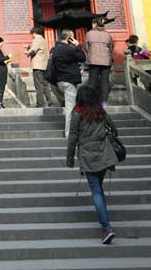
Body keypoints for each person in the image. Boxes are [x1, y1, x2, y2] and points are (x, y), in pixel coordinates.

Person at [66, 85, 120, 245]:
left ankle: (106, 226)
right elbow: (114, 130)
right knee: (99, 187)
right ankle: (105, 223)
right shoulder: (99, 111)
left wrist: (69, 159)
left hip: (88, 155)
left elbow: (73, 137)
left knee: (95, 190)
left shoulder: (77, 113)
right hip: (104, 154)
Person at [51, 30, 87, 137]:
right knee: (70, 108)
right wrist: (78, 46)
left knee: (70, 105)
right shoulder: (69, 49)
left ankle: (73, 130)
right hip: (69, 81)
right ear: (69, 38)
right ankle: (69, 133)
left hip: (59, 81)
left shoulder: (55, 49)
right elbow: (82, 57)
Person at [85, 17, 115, 106]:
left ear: (94, 24)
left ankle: (91, 101)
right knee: (104, 81)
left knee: (92, 81)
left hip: (93, 60)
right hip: (106, 61)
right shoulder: (107, 35)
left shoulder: (89, 34)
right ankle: (104, 101)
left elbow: (86, 47)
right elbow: (111, 47)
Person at [27, 27, 57, 108]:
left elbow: (33, 51)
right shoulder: (43, 40)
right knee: (46, 85)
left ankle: (40, 103)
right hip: (44, 65)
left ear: (34, 33)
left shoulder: (37, 39)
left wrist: (27, 52)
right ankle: (50, 102)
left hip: (37, 66)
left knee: (38, 86)